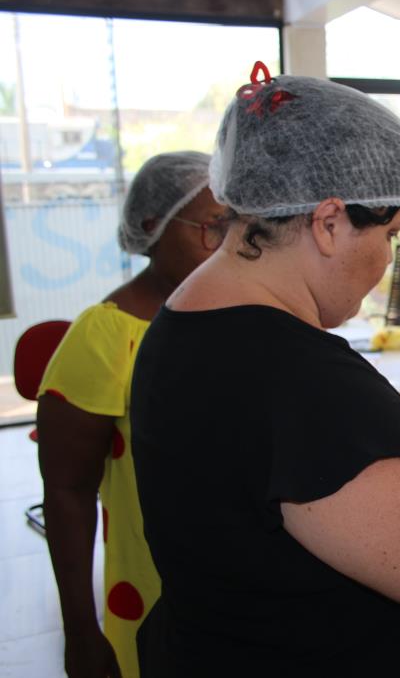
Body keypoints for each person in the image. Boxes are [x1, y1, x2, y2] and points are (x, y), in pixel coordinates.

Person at [130, 65, 400, 676]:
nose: (388, 259)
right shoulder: (301, 375)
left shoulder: (188, 319)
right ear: (328, 223)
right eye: (392, 234)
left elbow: (273, 463)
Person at [36, 151, 225, 678]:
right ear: (152, 226)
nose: (231, 244)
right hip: (157, 590)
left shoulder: (236, 318)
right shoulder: (106, 337)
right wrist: (81, 633)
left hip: (246, 589)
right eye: (214, 226)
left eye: (243, 225)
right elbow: (68, 493)